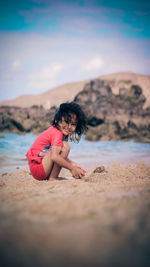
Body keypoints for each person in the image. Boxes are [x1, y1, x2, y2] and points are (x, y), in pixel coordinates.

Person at [26, 102, 88, 181]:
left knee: (63, 147)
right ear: (57, 120)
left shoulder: (62, 133)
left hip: (41, 168)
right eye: (66, 121)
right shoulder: (57, 133)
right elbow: (55, 157)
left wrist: (74, 164)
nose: (69, 127)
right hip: (38, 169)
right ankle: (53, 178)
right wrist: (71, 168)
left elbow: (60, 154)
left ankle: (52, 177)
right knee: (65, 146)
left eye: (73, 124)